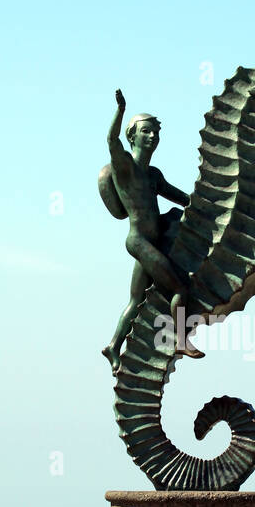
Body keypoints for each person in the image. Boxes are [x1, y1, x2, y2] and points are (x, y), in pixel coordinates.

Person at [100, 89, 204, 373]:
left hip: (153, 242)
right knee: (180, 287)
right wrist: (121, 110)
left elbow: (181, 197)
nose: (152, 137)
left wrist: (204, 200)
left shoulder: (153, 174)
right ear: (132, 136)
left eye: (156, 133)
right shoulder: (126, 169)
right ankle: (181, 340)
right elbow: (111, 141)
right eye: (146, 132)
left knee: (135, 300)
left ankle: (113, 346)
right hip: (140, 242)